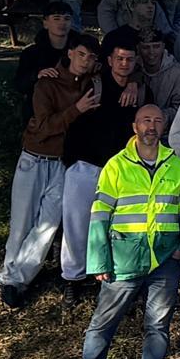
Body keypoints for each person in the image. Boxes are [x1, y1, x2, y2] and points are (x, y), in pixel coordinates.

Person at [73, 103, 180, 359]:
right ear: (135, 126)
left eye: (157, 120)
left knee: (158, 327)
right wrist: (99, 260)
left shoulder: (177, 166)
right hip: (123, 260)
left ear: (164, 126)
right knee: (102, 326)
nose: (151, 126)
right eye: (145, 120)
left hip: (164, 260)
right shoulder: (116, 166)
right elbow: (99, 216)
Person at [0, 33, 102, 308]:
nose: (86, 60)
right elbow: (42, 128)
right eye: (81, 54)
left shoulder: (91, 83)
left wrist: (135, 83)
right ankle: (10, 277)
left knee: (48, 225)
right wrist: (76, 110)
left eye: (91, 57)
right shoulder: (47, 83)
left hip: (62, 164)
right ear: (70, 53)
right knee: (22, 223)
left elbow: (128, 69)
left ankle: (15, 280)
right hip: (34, 159)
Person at [60, 28, 144, 306]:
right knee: (76, 223)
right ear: (109, 60)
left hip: (120, 168)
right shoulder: (91, 83)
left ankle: (107, 275)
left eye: (129, 60)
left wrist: (135, 81)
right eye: (119, 59)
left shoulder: (140, 89)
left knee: (115, 226)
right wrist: (71, 161)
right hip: (85, 163)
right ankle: (72, 278)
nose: (124, 64)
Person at [14, 2, 84, 119]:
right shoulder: (31, 53)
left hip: (74, 104)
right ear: (45, 23)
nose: (62, 23)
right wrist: (37, 75)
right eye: (56, 18)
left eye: (67, 19)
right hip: (42, 106)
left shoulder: (81, 50)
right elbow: (19, 85)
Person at [138, 30, 180, 114]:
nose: (151, 52)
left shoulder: (178, 74)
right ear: (138, 48)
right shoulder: (132, 68)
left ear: (163, 46)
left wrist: (160, 118)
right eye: (146, 47)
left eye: (156, 46)